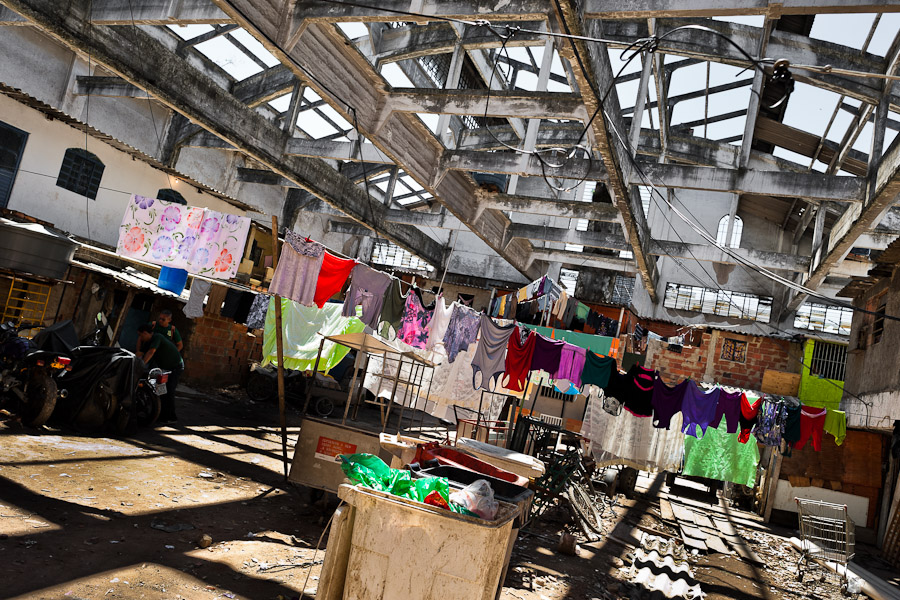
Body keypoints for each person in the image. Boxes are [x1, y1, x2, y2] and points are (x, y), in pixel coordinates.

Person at [136, 323, 184, 423]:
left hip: (176, 366)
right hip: (164, 367)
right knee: (160, 390)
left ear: (145, 333)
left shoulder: (157, 337)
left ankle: (171, 417)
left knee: (169, 391)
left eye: (141, 335)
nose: (140, 338)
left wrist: (141, 365)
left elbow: (151, 352)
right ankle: (160, 414)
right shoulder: (148, 342)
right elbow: (139, 353)